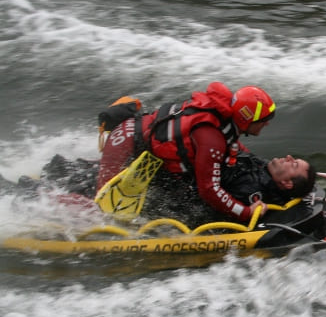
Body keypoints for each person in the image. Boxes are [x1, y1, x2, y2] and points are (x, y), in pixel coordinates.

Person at [96, 82, 278, 223]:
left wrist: (261, 164)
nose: (267, 124)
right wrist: (246, 212)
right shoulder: (211, 139)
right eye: (264, 120)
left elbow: (235, 146)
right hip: (125, 144)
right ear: (246, 119)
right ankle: (68, 208)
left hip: (135, 144)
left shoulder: (223, 123)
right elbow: (209, 189)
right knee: (99, 210)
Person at [220, 153, 318, 207]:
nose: (289, 157)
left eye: (293, 164)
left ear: (287, 183)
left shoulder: (251, 188)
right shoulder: (264, 167)